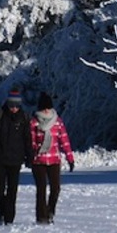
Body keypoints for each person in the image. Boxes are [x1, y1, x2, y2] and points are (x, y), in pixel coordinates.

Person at [0, 89, 33, 225]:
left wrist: (29, 156)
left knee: (12, 190)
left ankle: (9, 217)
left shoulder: (24, 118)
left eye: (16, 105)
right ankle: (1, 212)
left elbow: (28, 139)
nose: (14, 108)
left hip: (15, 160)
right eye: (11, 105)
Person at [30, 92, 75, 225]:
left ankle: (50, 211)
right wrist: (33, 150)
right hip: (38, 160)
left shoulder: (58, 122)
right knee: (41, 189)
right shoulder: (33, 122)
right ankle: (41, 217)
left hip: (54, 159)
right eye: (44, 108)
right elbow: (30, 140)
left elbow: (64, 141)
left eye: (48, 107)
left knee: (56, 188)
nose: (46, 110)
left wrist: (70, 157)